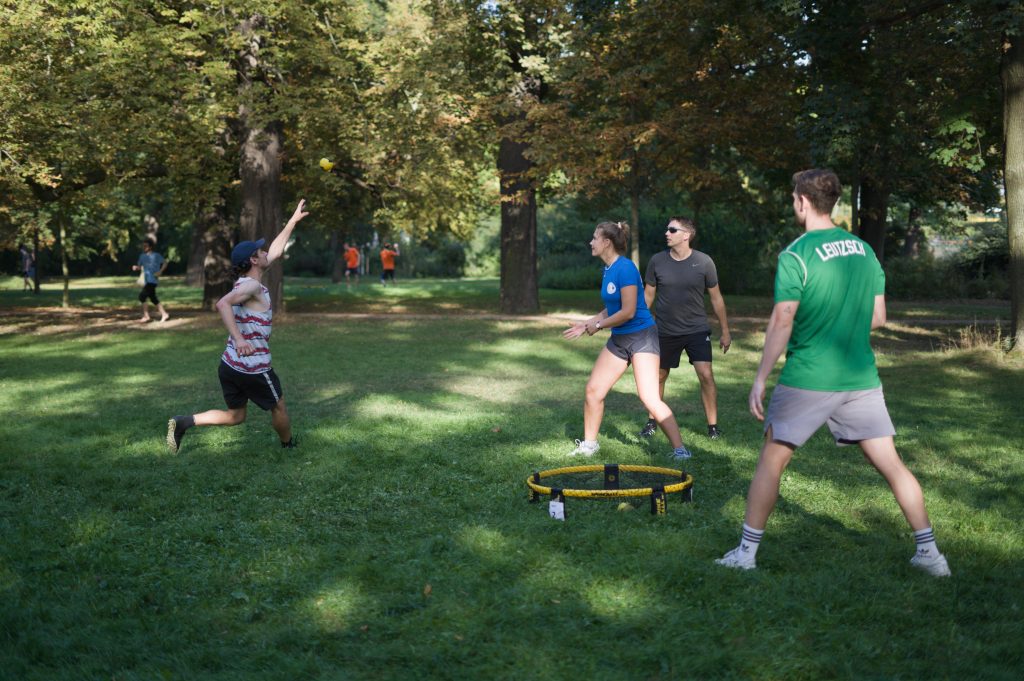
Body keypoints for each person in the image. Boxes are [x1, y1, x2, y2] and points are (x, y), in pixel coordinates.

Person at [715, 169, 950, 577]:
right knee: (892, 464)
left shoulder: (796, 255)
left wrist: (760, 377)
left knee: (771, 462)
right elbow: (878, 317)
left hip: (808, 377)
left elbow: (783, 319)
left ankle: (746, 554)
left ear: (803, 202)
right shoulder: (864, 251)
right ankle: (931, 554)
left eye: (794, 197)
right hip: (860, 377)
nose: (794, 202)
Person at [166, 200, 310, 454]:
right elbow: (222, 304)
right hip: (253, 366)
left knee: (235, 416)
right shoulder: (251, 286)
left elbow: (275, 251)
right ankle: (289, 447)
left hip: (230, 364)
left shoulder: (247, 282)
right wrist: (240, 339)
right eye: (261, 252)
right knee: (278, 406)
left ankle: (184, 422)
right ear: (253, 260)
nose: (265, 253)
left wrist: (292, 222)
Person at [563, 221, 692, 460]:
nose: (591, 242)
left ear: (606, 242)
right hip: (620, 339)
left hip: (642, 337)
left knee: (649, 398)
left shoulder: (626, 268)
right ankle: (590, 445)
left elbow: (629, 311)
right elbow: (613, 307)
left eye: (594, 238)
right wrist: (588, 322)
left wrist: (597, 326)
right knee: (593, 390)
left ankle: (681, 450)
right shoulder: (609, 269)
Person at [640, 217, 731, 441]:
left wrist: (726, 331)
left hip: (696, 329)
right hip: (664, 330)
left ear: (686, 235)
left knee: (706, 375)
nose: (667, 233)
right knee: (659, 376)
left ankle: (713, 427)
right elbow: (648, 296)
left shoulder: (704, 262)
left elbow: (717, 298)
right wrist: (638, 323)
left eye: (672, 230)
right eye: (667, 229)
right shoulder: (657, 261)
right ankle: (652, 422)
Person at [132, 238, 169, 322]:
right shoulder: (142, 256)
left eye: (146, 246)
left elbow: (165, 263)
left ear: (150, 247)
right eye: (143, 246)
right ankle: (164, 314)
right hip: (147, 280)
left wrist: (160, 271)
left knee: (142, 296)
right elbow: (140, 267)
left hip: (153, 280)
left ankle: (146, 316)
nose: (144, 247)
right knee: (153, 298)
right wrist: (136, 267)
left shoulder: (156, 255)